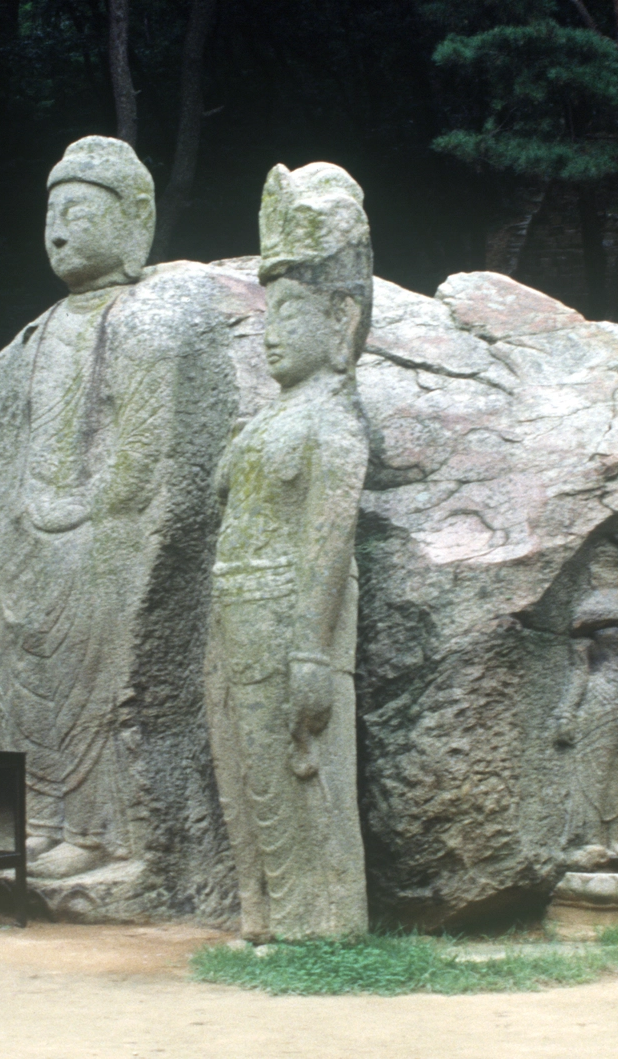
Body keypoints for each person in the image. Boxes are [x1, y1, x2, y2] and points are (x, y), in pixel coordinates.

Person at [0, 136, 235, 885]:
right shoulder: (33, 336)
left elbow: (143, 447)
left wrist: (83, 510)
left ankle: (103, 832)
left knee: (99, 693)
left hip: (98, 539)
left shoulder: (143, 321)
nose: (59, 228)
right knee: (26, 687)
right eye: (51, 212)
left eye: (78, 210)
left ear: (132, 220)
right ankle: (40, 820)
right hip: (29, 543)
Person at [205, 162, 371, 941]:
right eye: (269, 312)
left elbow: (329, 540)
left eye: (293, 311)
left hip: (289, 619)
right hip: (233, 613)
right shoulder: (274, 417)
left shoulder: (334, 420)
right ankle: (264, 913)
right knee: (247, 778)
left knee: (303, 772)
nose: (272, 330)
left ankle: (323, 924)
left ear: (342, 321)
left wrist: (311, 648)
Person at [554, 544, 618, 871]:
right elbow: (579, 668)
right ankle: (591, 838)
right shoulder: (595, 610)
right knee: (596, 767)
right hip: (607, 690)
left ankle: (613, 837)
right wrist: (566, 712)